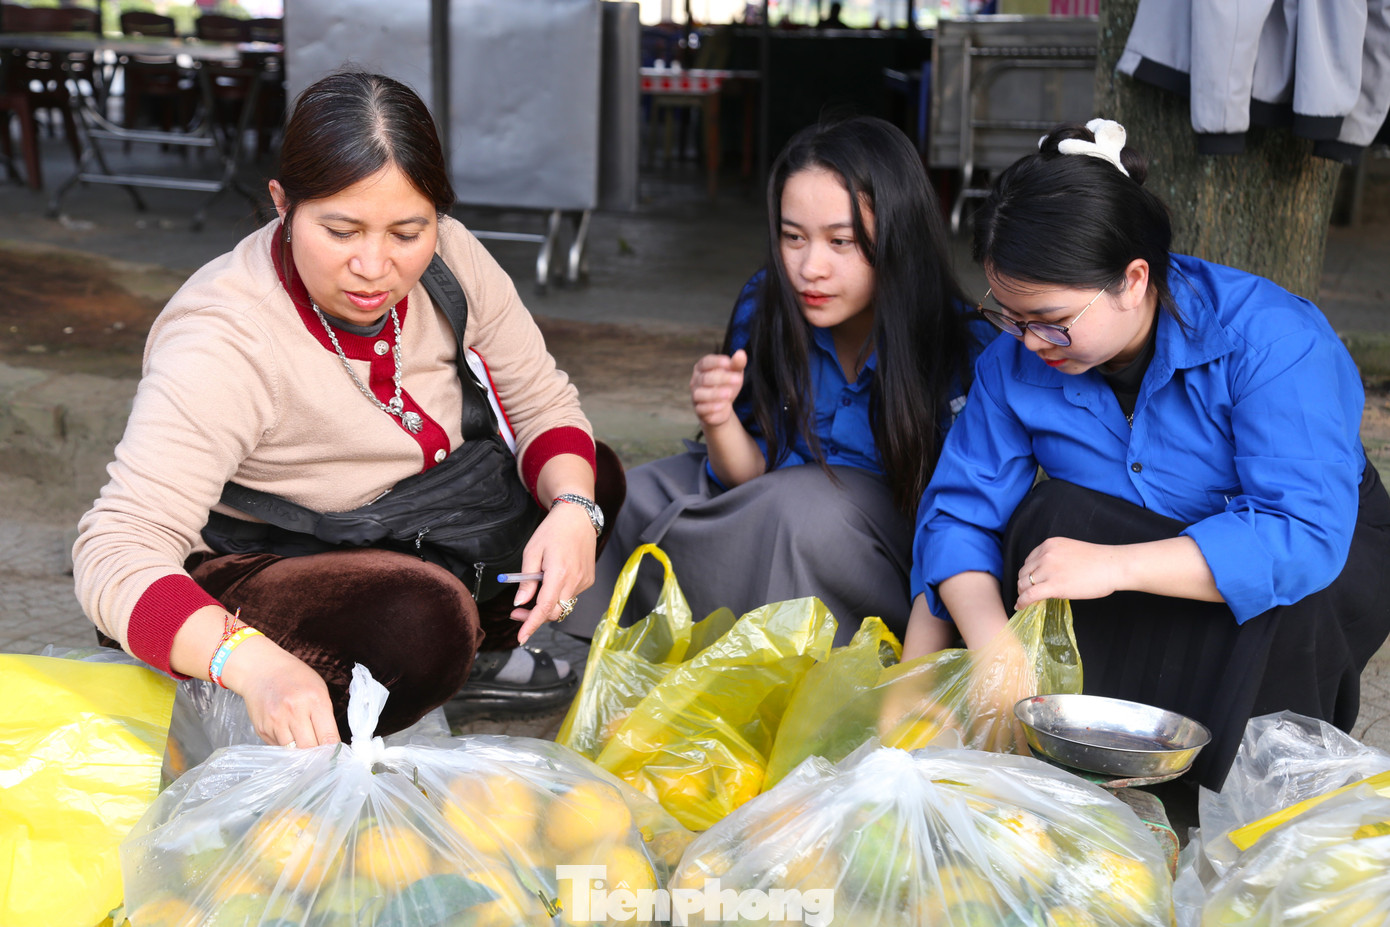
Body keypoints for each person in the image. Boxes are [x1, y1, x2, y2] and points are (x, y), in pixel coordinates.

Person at [72, 70, 623, 748]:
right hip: (283, 560)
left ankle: (465, 662)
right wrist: (251, 662)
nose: (374, 266)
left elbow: (542, 400)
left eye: (407, 232)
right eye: (341, 230)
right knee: (421, 623)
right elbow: (116, 547)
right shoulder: (225, 337)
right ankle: (299, 696)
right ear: (283, 204)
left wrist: (575, 509)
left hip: (423, 522)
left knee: (588, 479)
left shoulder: (453, 258)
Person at [909, 118, 1390, 788]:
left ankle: (1256, 778)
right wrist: (993, 651)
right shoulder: (1014, 360)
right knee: (1046, 516)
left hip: (1313, 555)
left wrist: (1115, 565)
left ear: (1133, 280)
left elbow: (1302, 532)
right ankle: (1110, 759)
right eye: (1010, 318)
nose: (1030, 343)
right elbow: (958, 516)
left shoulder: (1272, 338)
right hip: (1147, 543)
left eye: (1052, 321)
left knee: (1291, 599)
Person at [566, 115, 988, 644]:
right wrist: (718, 419)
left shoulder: (961, 347)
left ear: (899, 237)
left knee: (798, 512)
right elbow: (750, 471)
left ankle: (768, 655)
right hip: (771, 498)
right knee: (625, 493)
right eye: (793, 237)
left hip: (891, 558)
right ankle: (588, 649)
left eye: (840, 241)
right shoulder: (765, 304)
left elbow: (963, 520)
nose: (810, 267)